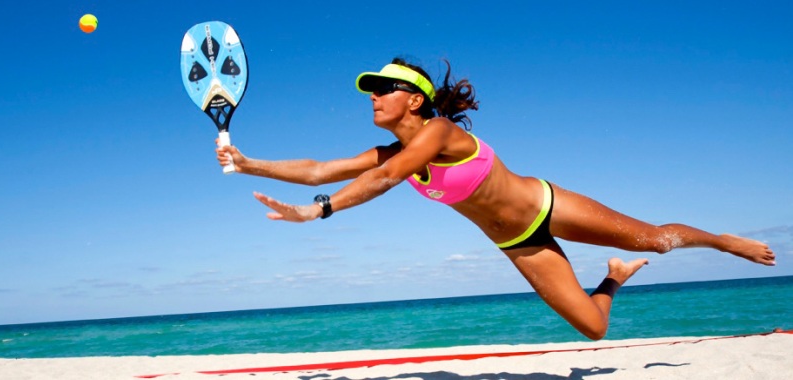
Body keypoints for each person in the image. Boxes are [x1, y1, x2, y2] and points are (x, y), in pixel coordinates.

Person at [216, 58, 776, 340]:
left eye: (383, 90)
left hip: (545, 205)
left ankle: (724, 242)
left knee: (658, 238)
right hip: (516, 240)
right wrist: (248, 163)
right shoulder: (389, 151)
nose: (375, 98)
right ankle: (614, 276)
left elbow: (381, 183)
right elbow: (319, 169)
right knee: (593, 327)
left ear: (414, 100)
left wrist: (320, 213)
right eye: (372, 91)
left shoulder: (436, 133)